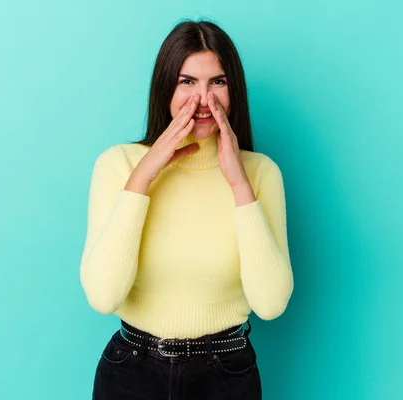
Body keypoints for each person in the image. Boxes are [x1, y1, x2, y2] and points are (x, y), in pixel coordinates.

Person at [79, 18, 293, 400]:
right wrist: (144, 175)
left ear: (234, 90)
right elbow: (103, 296)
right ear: (166, 87)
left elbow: (271, 303)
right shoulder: (118, 165)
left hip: (226, 374)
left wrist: (238, 183)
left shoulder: (261, 173)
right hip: (131, 371)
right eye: (187, 81)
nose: (204, 99)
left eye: (218, 82)